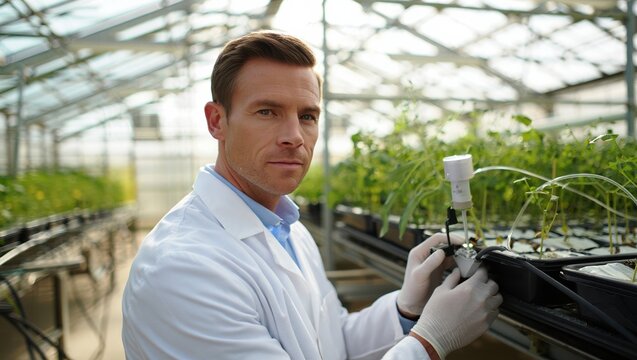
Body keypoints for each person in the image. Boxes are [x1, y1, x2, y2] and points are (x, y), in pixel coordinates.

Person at [122, 30, 502, 360]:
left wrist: (408, 307)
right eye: (268, 112)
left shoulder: (286, 228)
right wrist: (429, 342)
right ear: (217, 121)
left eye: (307, 116)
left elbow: (331, 342)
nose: (294, 136)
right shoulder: (183, 269)